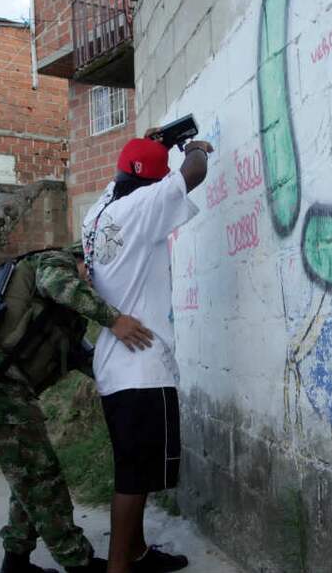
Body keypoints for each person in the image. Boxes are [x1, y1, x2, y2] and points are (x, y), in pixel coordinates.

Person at [0, 244, 155, 573]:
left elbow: (86, 360)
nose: (89, 284)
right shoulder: (55, 262)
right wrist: (114, 320)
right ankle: (79, 562)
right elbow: (60, 285)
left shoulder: (61, 318)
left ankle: (15, 562)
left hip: (9, 389)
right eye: (89, 276)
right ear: (83, 262)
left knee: (27, 478)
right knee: (42, 479)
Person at [81, 133, 212, 573]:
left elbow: (130, 174)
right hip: (142, 367)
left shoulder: (97, 213)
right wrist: (196, 148)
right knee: (134, 478)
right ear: (149, 185)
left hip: (115, 366)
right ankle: (118, 567)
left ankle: (135, 553)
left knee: (133, 468)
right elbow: (193, 174)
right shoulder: (141, 208)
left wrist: (154, 146)